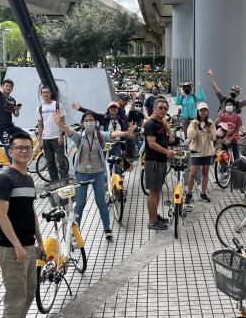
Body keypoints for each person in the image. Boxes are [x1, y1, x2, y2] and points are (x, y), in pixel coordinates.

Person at [0, 132, 46, 318]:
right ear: (10, 151)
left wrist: (39, 240)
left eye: (28, 147)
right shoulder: (5, 179)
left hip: (28, 245)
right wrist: (16, 245)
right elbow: (1, 216)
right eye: (19, 148)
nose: (24, 151)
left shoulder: (27, 178)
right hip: (11, 248)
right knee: (14, 297)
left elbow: (30, 211)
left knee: (28, 292)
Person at [54, 110, 135, 239]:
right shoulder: (79, 136)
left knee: (101, 202)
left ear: (95, 122)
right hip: (82, 173)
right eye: (86, 121)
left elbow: (113, 134)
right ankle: (76, 231)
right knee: (80, 203)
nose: (89, 123)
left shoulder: (100, 135)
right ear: (82, 123)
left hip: (98, 173)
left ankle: (107, 229)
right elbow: (70, 132)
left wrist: (126, 133)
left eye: (91, 120)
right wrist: (60, 125)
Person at [145, 99, 175, 230]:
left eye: (165, 108)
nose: (163, 110)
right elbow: (151, 143)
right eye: (160, 108)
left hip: (160, 160)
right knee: (153, 191)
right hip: (154, 161)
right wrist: (167, 151)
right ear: (154, 109)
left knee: (157, 190)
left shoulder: (161, 122)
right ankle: (152, 222)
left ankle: (155, 216)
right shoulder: (150, 124)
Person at [0, 63, 23, 159]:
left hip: (10, 125)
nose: (8, 88)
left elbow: (15, 115)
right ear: (2, 87)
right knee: (8, 146)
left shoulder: (13, 100)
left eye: (10, 87)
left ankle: (20, 159)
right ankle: (15, 168)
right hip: (0, 126)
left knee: (25, 136)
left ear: (12, 89)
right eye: (6, 86)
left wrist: (16, 110)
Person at [35, 86, 68, 182]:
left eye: (47, 92)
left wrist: (61, 135)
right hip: (46, 139)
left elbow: (62, 122)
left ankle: (64, 181)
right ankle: (55, 182)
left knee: (61, 161)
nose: (45, 94)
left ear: (50, 93)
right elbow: (40, 125)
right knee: (50, 162)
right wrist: (40, 140)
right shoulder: (39, 108)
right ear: (41, 94)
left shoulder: (58, 105)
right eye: (43, 92)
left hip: (57, 137)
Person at [185, 102, 216, 203]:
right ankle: (189, 193)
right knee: (192, 172)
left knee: (205, 173)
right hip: (196, 151)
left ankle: (203, 193)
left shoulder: (211, 123)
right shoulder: (193, 122)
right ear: (198, 111)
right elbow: (190, 137)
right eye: (201, 110)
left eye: (204, 110)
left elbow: (213, 138)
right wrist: (194, 127)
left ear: (207, 111)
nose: (203, 112)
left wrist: (209, 131)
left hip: (207, 152)